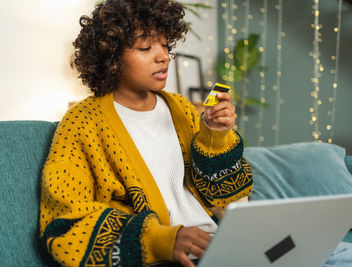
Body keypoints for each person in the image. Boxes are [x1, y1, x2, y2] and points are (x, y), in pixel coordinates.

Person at [38, 0, 254, 266]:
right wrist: (161, 240)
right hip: (163, 258)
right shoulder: (82, 122)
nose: (163, 56)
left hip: (218, 247)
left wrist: (215, 135)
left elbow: (228, 196)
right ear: (112, 57)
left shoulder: (181, 108)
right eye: (145, 47)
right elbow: (65, 221)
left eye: (165, 45)